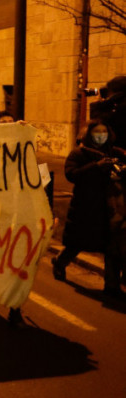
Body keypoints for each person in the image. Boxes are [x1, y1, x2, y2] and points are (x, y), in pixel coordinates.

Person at [53, 120, 126, 298]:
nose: (101, 135)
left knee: (112, 247)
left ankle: (112, 286)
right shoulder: (78, 154)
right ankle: (60, 262)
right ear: (88, 134)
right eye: (96, 132)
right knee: (77, 243)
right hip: (86, 207)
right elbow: (72, 175)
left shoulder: (115, 152)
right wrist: (96, 167)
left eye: (104, 132)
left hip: (111, 208)